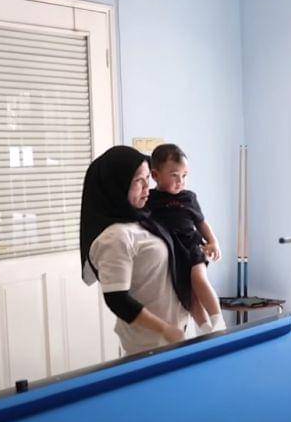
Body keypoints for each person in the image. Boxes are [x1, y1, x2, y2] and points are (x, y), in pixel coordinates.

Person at [79, 145, 192, 355]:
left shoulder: (142, 220)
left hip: (174, 333)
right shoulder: (114, 237)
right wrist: (166, 330)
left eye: (147, 178)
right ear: (117, 186)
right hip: (150, 342)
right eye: (139, 181)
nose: (147, 188)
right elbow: (117, 300)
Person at [146, 144, 226, 333]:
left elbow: (201, 222)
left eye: (184, 175)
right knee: (188, 294)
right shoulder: (149, 199)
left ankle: (218, 320)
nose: (180, 181)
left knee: (198, 278)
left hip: (192, 246)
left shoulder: (188, 198)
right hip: (173, 252)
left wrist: (213, 242)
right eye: (174, 175)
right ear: (156, 175)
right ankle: (205, 329)